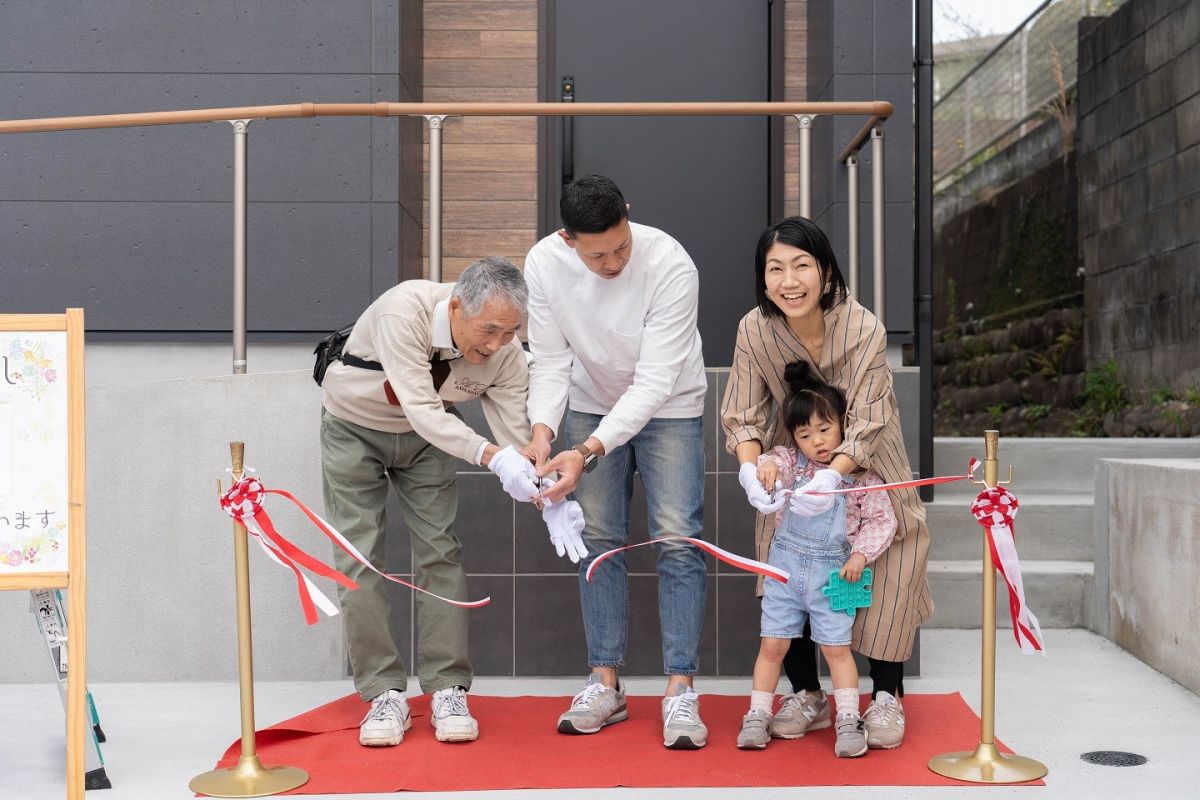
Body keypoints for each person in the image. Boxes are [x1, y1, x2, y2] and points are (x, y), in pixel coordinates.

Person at [320, 257, 586, 747]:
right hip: (354, 427)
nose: (496, 345)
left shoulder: (503, 352)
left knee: (441, 550)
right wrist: (489, 455)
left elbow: (514, 434)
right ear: (457, 306)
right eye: (488, 331)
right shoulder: (406, 312)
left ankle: (447, 688)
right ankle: (383, 693)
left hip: (430, 440)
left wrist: (544, 493)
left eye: (510, 333)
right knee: (358, 557)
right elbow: (422, 407)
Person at [721, 216, 929, 751]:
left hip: (869, 468)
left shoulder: (864, 328)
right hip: (792, 468)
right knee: (784, 577)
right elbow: (744, 413)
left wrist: (835, 475)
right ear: (762, 279)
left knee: (888, 576)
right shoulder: (754, 330)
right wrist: (750, 468)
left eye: (801, 265)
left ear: (826, 270)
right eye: (775, 269)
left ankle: (886, 697)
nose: (789, 281)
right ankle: (808, 694)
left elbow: (869, 415)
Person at [521, 175, 710, 749]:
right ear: (566, 238)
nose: (612, 262)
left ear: (628, 215)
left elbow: (654, 382)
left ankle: (680, 689)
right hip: (585, 404)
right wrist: (542, 433)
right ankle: (605, 681)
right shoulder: (544, 264)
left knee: (677, 538)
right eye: (597, 253)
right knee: (598, 539)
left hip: (670, 406)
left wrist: (584, 451)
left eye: (621, 246)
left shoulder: (672, 264)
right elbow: (550, 361)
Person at [735, 361, 896, 755]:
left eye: (825, 429)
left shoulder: (862, 479)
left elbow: (882, 520)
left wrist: (860, 554)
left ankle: (847, 720)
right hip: (784, 574)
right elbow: (775, 459)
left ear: (842, 425)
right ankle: (757, 714)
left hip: (833, 576)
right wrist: (764, 466)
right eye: (806, 435)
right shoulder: (796, 465)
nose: (818, 442)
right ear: (796, 439)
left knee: (836, 649)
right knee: (772, 646)